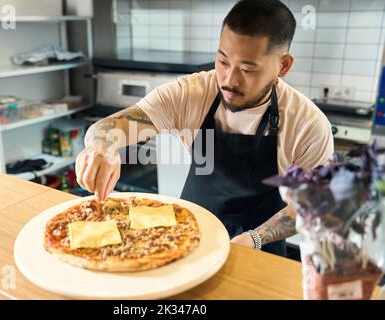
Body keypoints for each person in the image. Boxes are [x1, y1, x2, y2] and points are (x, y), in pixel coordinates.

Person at [75, 0, 334, 256]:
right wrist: (102, 146)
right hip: (191, 235)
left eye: (247, 68)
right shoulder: (191, 93)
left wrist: (255, 239)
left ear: (284, 65)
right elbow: (110, 127)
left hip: (260, 247)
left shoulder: (307, 124)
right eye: (222, 62)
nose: (229, 80)